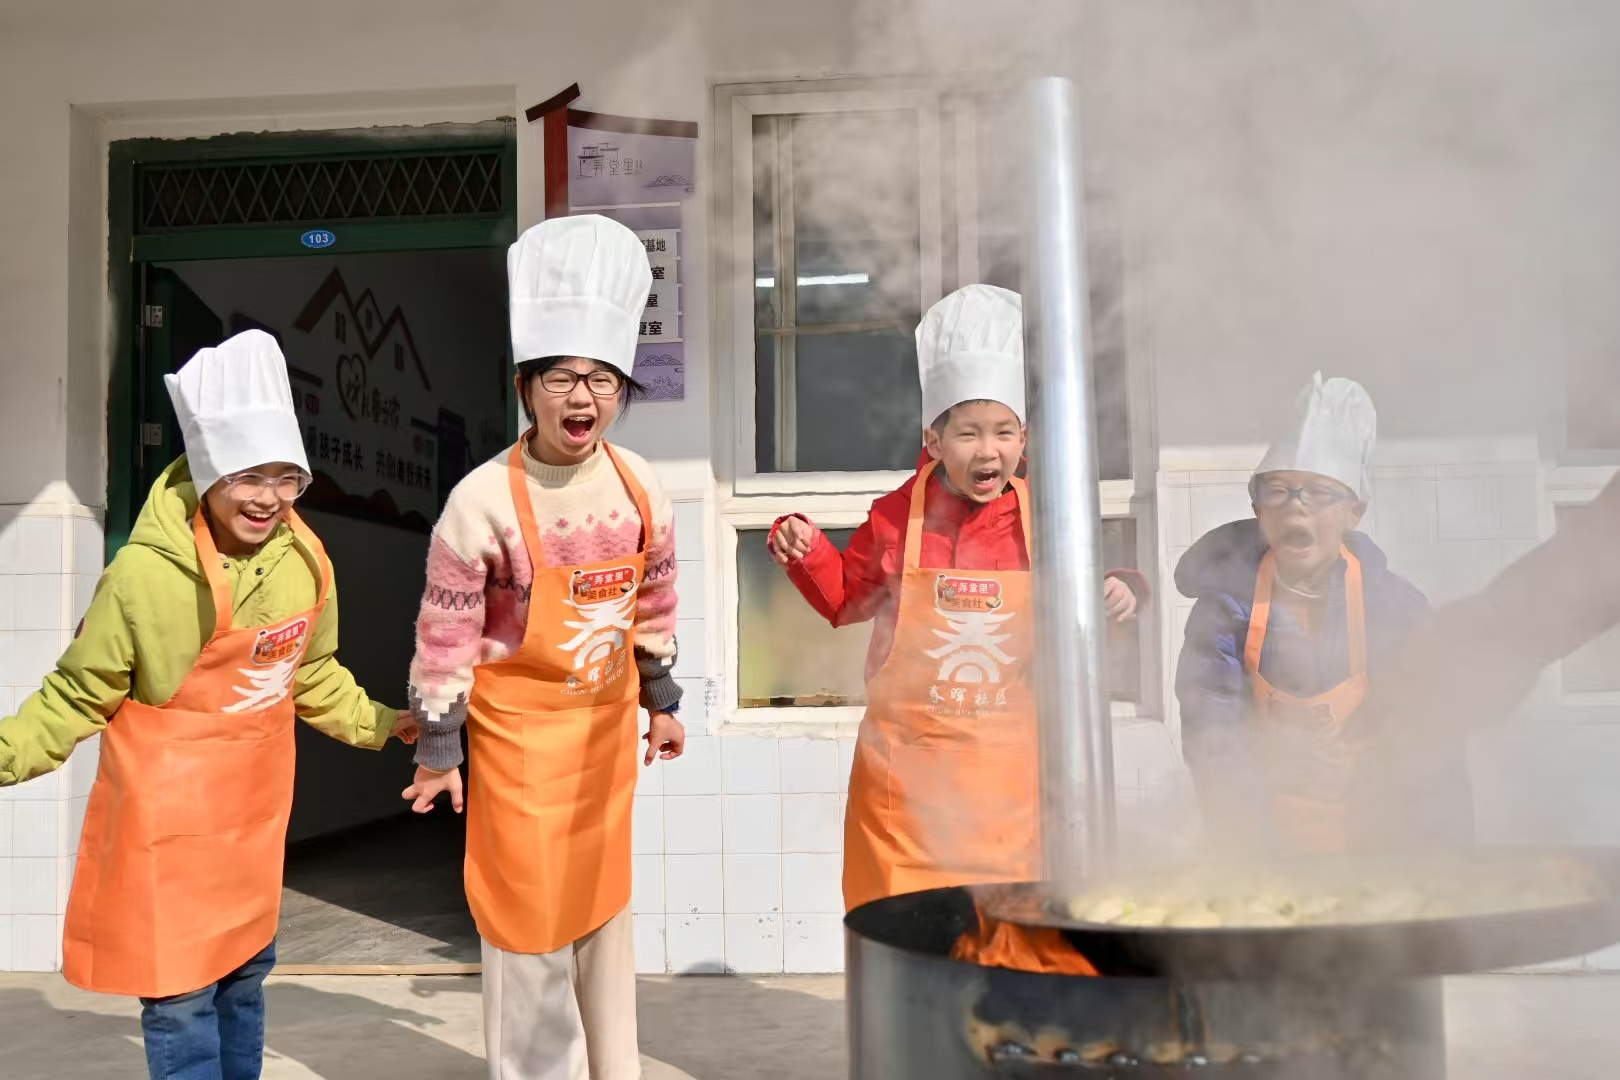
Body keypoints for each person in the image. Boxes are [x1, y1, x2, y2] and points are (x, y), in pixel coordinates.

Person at [0, 329, 409, 1080]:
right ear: (211, 471)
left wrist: (390, 725)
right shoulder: (141, 578)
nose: (270, 499)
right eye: (251, 477)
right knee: (182, 997)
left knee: (246, 979)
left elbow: (312, 677)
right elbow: (74, 694)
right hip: (165, 829)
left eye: (288, 478)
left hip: (250, 822)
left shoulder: (307, 560)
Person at [402, 214, 685, 1080]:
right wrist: (440, 748)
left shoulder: (643, 490)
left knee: (603, 920)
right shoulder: (480, 500)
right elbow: (444, 634)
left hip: (602, 738)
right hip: (518, 744)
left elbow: (655, 603)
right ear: (526, 387)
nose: (582, 398)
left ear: (622, 387)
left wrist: (662, 701)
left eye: (601, 378)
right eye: (560, 377)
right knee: (524, 929)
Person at [768, 284, 1149, 913]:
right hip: (906, 799)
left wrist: (1124, 590)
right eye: (969, 433)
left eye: (1003, 432)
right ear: (934, 439)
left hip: (1013, 793)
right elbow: (846, 601)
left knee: (1003, 946)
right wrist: (804, 548)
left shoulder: (1048, 517)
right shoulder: (896, 517)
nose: (988, 450)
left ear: (1024, 439)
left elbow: (1095, 597)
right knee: (908, 944)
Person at [1173, 373, 1470, 854]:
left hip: (1378, 850)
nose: (1296, 511)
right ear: (1256, 506)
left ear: (1356, 511)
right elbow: (1215, 741)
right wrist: (1255, 860)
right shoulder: (1226, 608)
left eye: (1317, 492)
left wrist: (1441, 863)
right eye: (1278, 492)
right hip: (1262, 849)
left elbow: (1432, 748)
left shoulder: (1396, 610)